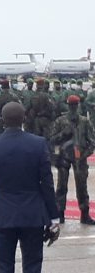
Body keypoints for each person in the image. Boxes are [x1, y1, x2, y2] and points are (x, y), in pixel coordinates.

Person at [0, 102, 60, 272]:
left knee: (4, 266)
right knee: (32, 265)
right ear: (24, 119)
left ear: (2, 120)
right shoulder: (38, 144)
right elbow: (47, 183)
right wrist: (53, 217)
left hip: (2, 214)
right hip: (32, 214)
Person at [49, 95, 95, 224]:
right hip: (64, 157)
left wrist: (84, 154)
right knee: (61, 186)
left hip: (80, 157)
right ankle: (60, 212)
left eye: (76, 105)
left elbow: (92, 141)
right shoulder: (60, 121)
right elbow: (52, 139)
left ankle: (84, 213)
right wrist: (64, 133)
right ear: (68, 106)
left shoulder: (85, 121)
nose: (74, 108)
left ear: (78, 106)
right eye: (72, 105)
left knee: (82, 186)